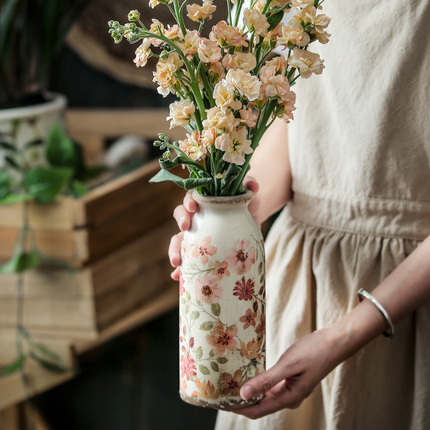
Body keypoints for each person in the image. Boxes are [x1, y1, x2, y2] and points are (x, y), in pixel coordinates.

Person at [169, 1, 430, 428]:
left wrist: (345, 334)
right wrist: (232, 218)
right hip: (299, 285)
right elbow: (297, 129)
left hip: (408, 298)